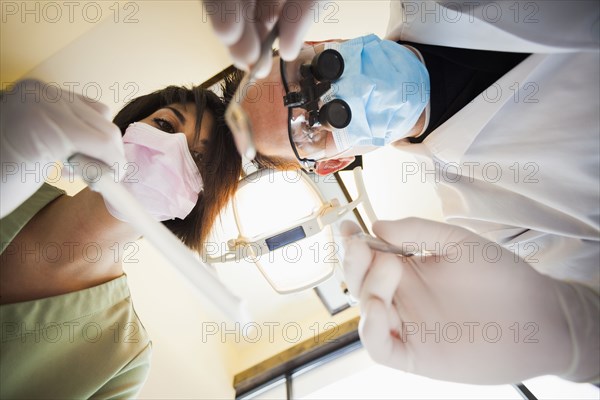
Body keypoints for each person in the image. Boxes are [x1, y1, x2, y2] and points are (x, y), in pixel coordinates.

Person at [210, 0, 600, 385]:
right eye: (309, 128)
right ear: (334, 164)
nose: (330, 95)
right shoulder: (498, 224)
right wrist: (571, 339)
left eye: (310, 73)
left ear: (325, 40)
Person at [0, 79, 241, 397]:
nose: (167, 151)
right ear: (128, 127)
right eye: (165, 125)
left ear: (194, 206)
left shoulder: (123, 361)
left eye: (198, 159)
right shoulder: (13, 160)